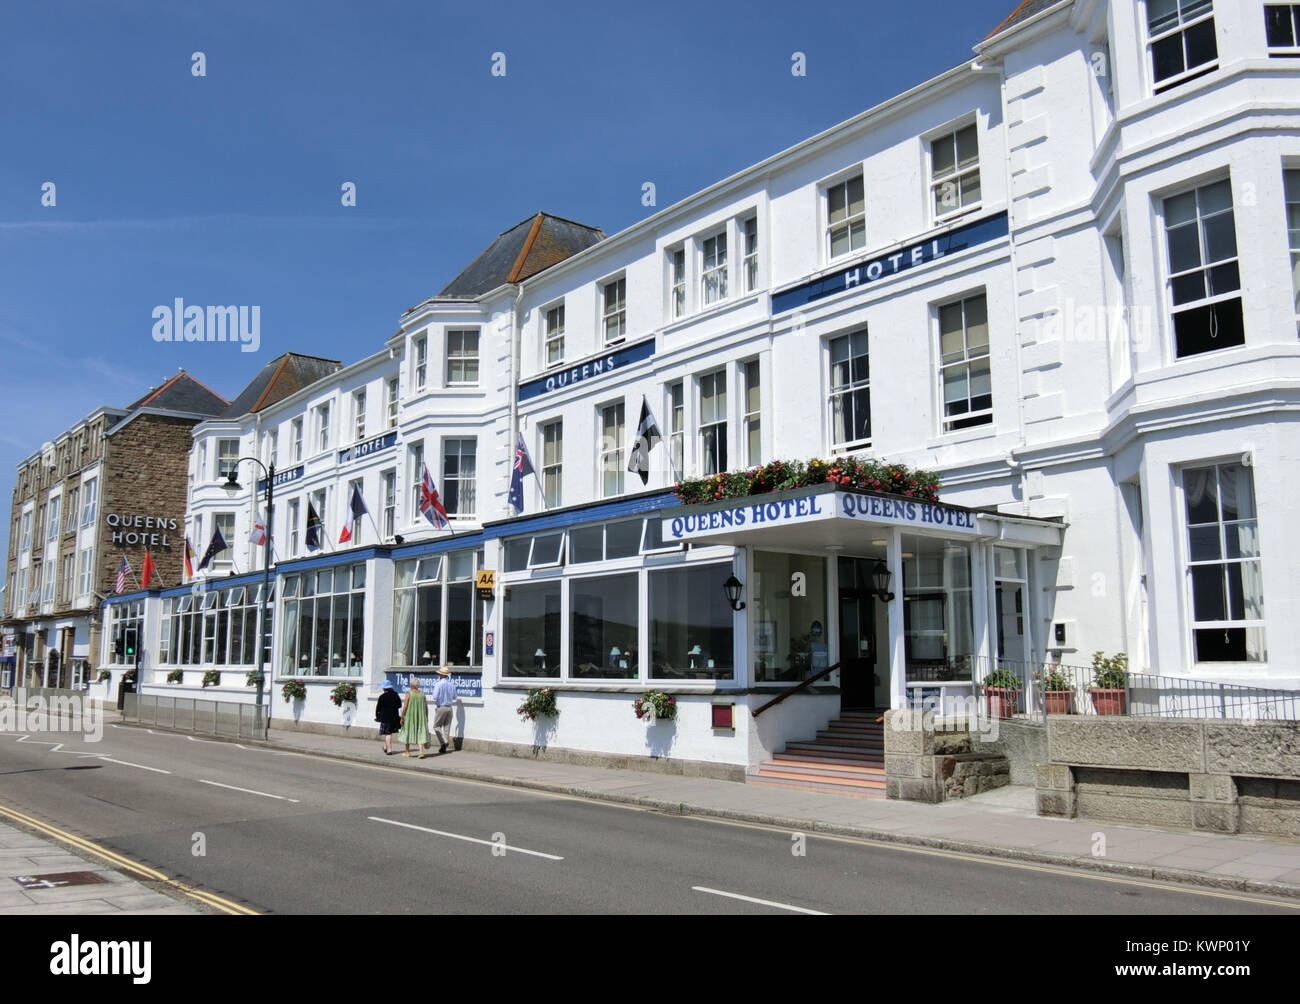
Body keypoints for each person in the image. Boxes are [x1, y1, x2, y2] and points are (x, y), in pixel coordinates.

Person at [397, 675, 430, 758]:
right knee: (420, 733)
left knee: (407, 732)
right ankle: (421, 752)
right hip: (421, 717)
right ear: (418, 685)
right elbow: (426, 707)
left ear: (411, 685)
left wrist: (402, 716)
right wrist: (426, 717)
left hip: (410, 717)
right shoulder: (422, 695)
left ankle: (407, 752)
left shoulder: (409, 694)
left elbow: (405, 706)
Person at [432, 666, 458, 754]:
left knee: (436, 726)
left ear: (441, 675)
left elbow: (435, 697)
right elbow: (455, 697)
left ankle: (444, 742)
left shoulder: (438, 684)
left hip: (441, 707)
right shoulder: (452, 684)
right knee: (447, 727)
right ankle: (444, 746)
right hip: (449, 707)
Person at [375, 680, 401, 755]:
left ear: (384, 688)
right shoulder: (395, 695)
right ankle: (386, 747)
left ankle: (389, 750)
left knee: (388, 733)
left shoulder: (382, 697)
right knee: (389, 733)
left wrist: (377, 716)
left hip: (385, 718)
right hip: (394, 717)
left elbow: (378, 708)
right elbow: (399, 705)